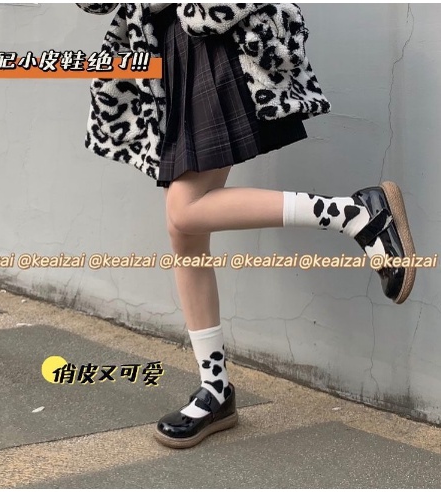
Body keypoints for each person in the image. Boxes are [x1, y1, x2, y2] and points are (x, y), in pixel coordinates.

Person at [76, 3, 416, 449]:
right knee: (185, 234)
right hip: (164, 48)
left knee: (184, 212)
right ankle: (215, 389)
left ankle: (354, 214)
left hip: (214, 34)